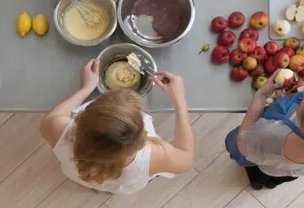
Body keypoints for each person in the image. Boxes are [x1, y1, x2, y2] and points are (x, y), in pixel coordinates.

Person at [40, 59, 194, 194]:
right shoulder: (153, 156)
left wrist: (86, 89)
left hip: (79, 173)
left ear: (81, 118)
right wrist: (180, 101)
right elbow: (186, 158)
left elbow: (52, 117)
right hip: (122, 183)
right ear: (141, 138)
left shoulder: (58, 129)